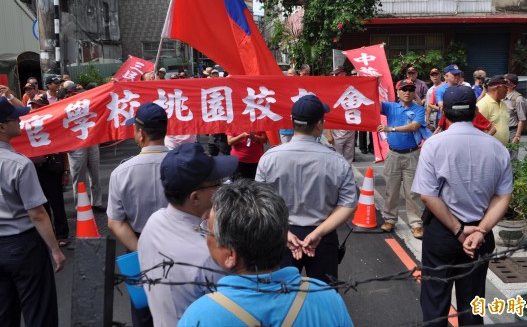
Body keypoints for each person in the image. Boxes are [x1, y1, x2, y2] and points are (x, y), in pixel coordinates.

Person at [179, 180, 354, 327]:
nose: (206, 236)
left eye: (208, 232)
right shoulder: (327, 299)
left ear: (231, 254)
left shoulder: (199, 316)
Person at [411, 85, 512, 327]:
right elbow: (503, 197)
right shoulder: (497, 148)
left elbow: (428, 196)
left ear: (443, 110)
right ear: (474, 111)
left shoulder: (434, 145)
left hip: (443, 233)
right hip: (479, 235)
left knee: (435, 302)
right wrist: (480, 231)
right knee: (472, 304)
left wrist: (458, 230)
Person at [0, 97, 65, 326]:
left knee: (2, 312)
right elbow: (37, 213)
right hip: (23, 245)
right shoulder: (19, 163)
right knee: (39, 311)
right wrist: (55, 249)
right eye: (14, 118)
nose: (20, 120)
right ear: (1, 126)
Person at [255, 94, 357, 283]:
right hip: (322, 235)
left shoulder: (269, 158)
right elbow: (348, 204)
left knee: (281, 296)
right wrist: (317, 233)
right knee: (323, 297)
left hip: (280, 234)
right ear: (319, 124)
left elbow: (259, 203)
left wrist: (284, 233)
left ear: (292, 122)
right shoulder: (337, 161)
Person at [138, 143, 238, 326]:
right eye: (218, 184)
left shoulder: (154, 222)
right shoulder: (209, 256)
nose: (222, 188)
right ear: (195, 198)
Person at [107, 102, 170, 327]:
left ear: (140, 134)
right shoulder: (183, 166)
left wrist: (143, 251)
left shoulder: (121, 173)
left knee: (143, 310)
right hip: (179, 244)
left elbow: (115, 221)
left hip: (137, 244)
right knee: (180, 306)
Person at [377, 79, 426, 239]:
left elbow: (414, 126)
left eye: (411, 89)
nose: (407, 92)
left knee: (413, 191)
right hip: (393, 154)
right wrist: (373, 84)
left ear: (414, 92)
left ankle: (416, 224)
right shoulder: (390, 107)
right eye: (404, 89)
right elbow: (373, 105)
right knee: (391, 189)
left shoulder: (419, 109)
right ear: (397, 92)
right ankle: (390, 219)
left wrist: (391, 128)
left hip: (412, 154)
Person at [29, 96, 71, 247]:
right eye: (33, 106)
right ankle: (47, 233)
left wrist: (66, 171)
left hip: (52, 170)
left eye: (38, 106)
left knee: (57, 203)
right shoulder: (25, 126)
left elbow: (64, 150)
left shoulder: (54, 125)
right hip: (34, 171)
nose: (34, 109)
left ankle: (62, 234)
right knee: (41, 204)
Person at [327, 67, 356, 163]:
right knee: (337, 158)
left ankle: (348, 177)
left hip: (350, 128)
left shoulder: (351, 87)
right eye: (335, 74)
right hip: (337, 131)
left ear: (344, 74)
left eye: (338, 74)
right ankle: (337, 177)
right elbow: (329, 113)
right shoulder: (332, 91)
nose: (336, 76)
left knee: (349, 158)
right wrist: (329, 133)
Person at [476, 75, 512, 145]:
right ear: (497, 88)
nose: (507, 90)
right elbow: (477, 131)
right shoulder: (483, 105)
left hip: (503, 149)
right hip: (490, 149)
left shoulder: (503, 104)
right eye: (505, 87)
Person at [502, 74, 527, 147]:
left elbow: (522, 119)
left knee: (512, 156)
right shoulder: (501, 96)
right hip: (501, 130)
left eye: (505, 81)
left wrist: (517, 136)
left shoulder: (518, 99)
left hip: (512, 131)